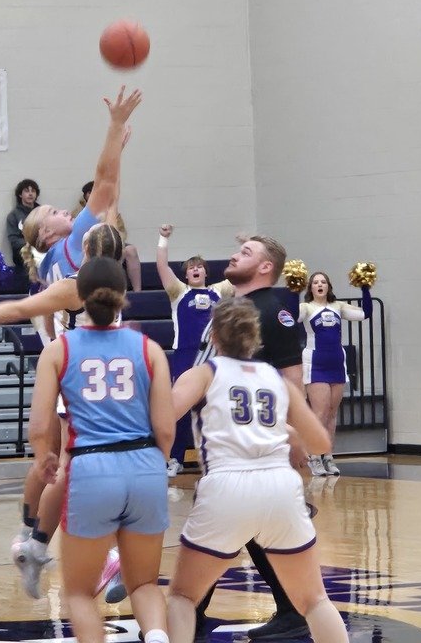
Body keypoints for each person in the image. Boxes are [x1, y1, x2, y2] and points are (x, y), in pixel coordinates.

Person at [0, 223, 128, 600]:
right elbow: (26, 309)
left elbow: (22, 308)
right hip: (93, 391)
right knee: (77, 468)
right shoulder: (107, 284)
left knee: (68, 468)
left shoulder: (82, 283)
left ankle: (39, 542)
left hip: (89, 387)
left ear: (85, 249)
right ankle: (71, 547)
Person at [166, 297, 348, 643]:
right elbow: (321, 444)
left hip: (226, 484)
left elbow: (164, 416)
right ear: (254, 337)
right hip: (279, 486)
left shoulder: (204, 374)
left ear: (214, 336)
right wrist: (287, 431)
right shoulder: (274, 378)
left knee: (183, 597)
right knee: (314, 600)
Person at [28, 257, 174, 643]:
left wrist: (45, 458)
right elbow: (165, 428)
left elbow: (40, 427)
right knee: (143, 583)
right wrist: (153, 463)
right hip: (145, 465)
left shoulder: (59, 350)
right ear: (123, 296)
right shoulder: (148, 347)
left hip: (91, 467)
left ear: (76, 298)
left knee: (78, 593)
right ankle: (157, 636)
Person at [191, 235, 318, 642]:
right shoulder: (236, 309)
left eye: (246, 252)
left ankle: (188, 611)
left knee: (218, 525)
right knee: (248, 530)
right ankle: (290, 610)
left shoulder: (273, 312)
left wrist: (294, 437)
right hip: (229, 443)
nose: (233, 255)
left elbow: (292, 380)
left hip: (253, 448)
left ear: (266, 268)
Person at [20, 86, 141, 291]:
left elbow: (110, 198)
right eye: (54, 212)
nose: (64, 210)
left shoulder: (46, 268)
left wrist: (116, 154)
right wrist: (116, 124)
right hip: (95, 322)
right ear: (46, 232)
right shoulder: (75, 240)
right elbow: (103, 184)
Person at [155, 223, 231, 476]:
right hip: (185, 356)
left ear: (205, 272)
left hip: (214, 359)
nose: (195, 269)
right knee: (181, 408)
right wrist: (163, 239)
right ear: (186, 275)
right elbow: (162, 268)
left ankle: (216, 459)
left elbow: (244, 276)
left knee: (215, 406)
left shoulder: (218, 291)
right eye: (191, 267)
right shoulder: (179, 292)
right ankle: (173, 459)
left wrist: (246, 245)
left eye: (199, 266)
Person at [298, 271, 372, 477]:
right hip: (316, 364)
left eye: (323, 281)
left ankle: (328, 455)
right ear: (310, 287)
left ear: (329, 286)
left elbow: (365, 313)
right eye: (315, 282)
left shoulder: (338, 306)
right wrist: (291, 291)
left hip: (337, 363)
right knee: (319, 413)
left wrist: (365, 287)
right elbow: (289, 318)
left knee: (332, 414)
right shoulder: (306, 307)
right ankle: (314, 456)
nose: (319, 285)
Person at [75, 181, 142, 292]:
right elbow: (75, 234)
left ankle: (137, 291)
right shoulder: (78, 213)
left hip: (110, 244)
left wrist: (108, 240)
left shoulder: (112, 213)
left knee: (130, 250)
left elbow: (121, 232)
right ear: (85, 195)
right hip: (87, 246)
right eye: (90, 192)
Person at [6, 179, 40, 286]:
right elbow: (14, 241)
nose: (30, 193)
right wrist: (32, 243)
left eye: (33, 191)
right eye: (26, 191)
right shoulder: (14, 216)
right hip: (24, 260)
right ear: (20, 195)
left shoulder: (43, 212)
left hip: (44, 255)